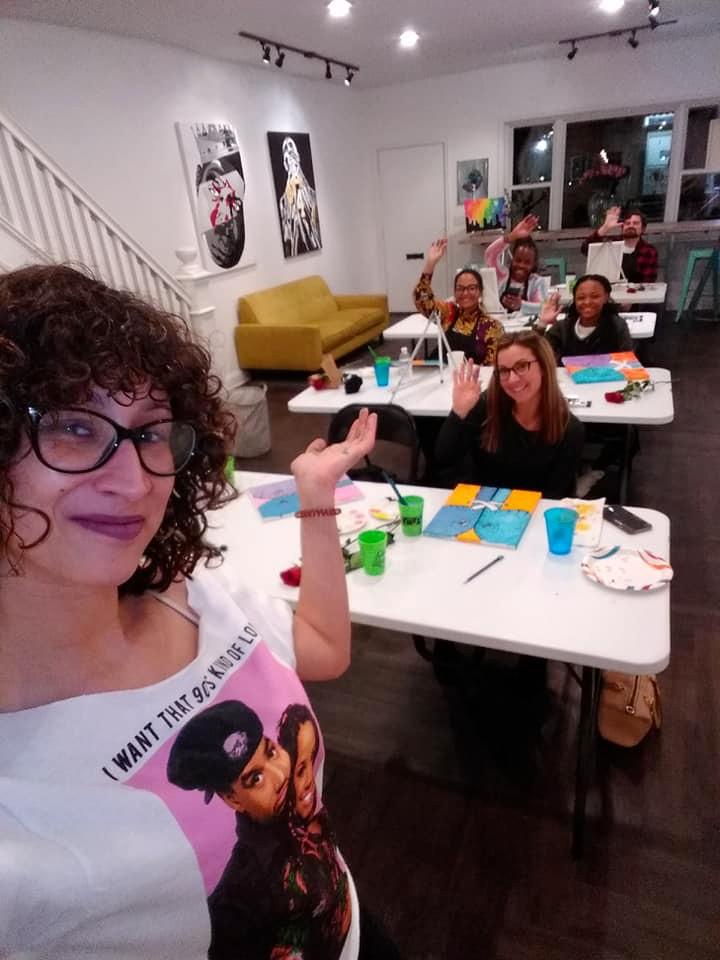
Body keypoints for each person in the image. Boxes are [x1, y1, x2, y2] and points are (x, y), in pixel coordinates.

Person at [0, 264, 394, 960]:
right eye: (73, 426)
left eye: (151, 432)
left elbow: (326, 648)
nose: (133, 481)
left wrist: (316, 494)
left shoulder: (192, 594)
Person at [435, 331, 584, 499]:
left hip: (535, 510)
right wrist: (458, 412)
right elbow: (444, 458)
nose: (512, 379)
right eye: (503, 370)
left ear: (543, 367)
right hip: (483, 504)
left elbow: (555, 494)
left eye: (521, 366)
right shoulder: (485, 406)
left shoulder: (570, 429)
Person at [413, 238, 504, 364]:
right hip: (441, 373)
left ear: (480, 292)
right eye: (460, 288)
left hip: (470, 375)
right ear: (454, 292)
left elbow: (491, 367)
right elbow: (423, 301)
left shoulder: (491, 326)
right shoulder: (448, 313)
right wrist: (430, 264)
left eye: (471, 288)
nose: (465, 293)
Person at [540, 273, 633, 362]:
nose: (587, 302)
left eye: (595, 296)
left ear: (606, 297)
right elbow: (538, 354)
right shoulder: (562, 328)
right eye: (581, 298)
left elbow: (627, 362)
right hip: (566, 374)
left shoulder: (617, 326)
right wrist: (543, 323)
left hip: (608, 374)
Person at [484, 213, 547, 312]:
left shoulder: (537, 282)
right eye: (518, 260)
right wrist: (511, 236)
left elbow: (544, 307)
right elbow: (489, 254)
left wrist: (521, 305)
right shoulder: (501, 275)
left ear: (533, 264)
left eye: (527, 262)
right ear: (512, 259)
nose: (521, 265)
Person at [581, 206, 658, 284]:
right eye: (627, 223)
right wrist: (605, 228)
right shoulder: (610, 244)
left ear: (643, 229)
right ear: (622, 227)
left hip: (635, 291)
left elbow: (648, 282)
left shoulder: (649, 251)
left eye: (635, 223)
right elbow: (585, 249)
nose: (631, 226)